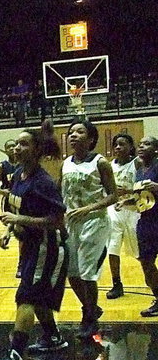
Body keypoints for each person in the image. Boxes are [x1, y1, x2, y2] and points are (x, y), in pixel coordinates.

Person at [0, 128, 69, 360]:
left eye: (24, 144)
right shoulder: (19, 175)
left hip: (48, 245)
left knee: (26, 297)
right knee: (37, 295)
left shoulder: (43, 182)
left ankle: (15, 357)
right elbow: (17, 207)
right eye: (16, 144)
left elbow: (57, 219)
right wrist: (9, 230)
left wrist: (19, 219)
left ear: (37, 150)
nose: (17, 148)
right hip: (32, 244)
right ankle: (52, 337)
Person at [60, 119, 117, 338]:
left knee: (87, 273)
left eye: (80, 132)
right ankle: (91, 307)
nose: (73, 135)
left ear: (91, 138)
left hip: (94, 222)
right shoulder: (66, 163)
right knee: (72, 273)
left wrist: (88, 208)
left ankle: (90, 318)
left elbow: (113, 195)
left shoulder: (100, 162)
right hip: (71, 222)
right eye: (71, 132)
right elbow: (61, 192)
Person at [106, 133, 139, 300]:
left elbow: (144, 187)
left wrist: (128, 192)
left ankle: (152, 280)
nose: (118, 147)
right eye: (115, 145)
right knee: (113, 248)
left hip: (135, 210)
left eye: (122, 144)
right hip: (114, 210)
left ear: (131, 147)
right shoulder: (109, 166)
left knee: (141, 253)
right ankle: (116, 283)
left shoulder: (137, 164)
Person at [134, 136, 158, 317]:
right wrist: (126, 200)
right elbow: (143, 198)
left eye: (147, 144)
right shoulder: (140, 170)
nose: (141, 146)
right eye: (140, 144)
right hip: (146, 221)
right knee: (146, 264)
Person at [0, 139, 19, 208]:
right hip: (8, 199)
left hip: (22, 197)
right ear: (5, 151)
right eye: (8, 147)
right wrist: (2, 191)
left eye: (13, 146)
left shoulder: (24, 164)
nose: (11, 148)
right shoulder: (2, 166)